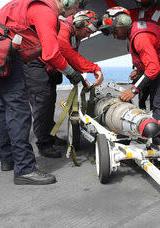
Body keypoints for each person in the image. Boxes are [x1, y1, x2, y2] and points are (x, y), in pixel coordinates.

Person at [0, 0, 88, 185]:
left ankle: (8, 159)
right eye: (76, 4)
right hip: (6, 53)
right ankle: (24, 169)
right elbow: (50, 52)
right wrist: (71, 73)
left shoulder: (40, 7)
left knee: (5, 109)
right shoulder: (45, 11)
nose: (76, 9)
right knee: (19, 111)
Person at [99, 7, 160, 145]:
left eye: (114, 30)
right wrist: (140, 70)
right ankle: (156, 136)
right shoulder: (135, 30)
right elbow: (151, 58)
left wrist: (133, 90)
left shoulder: (139, 37)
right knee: (156, 100)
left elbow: (153, 68)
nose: (114, 35)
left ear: (123, 24)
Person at [23, 10, 103, 158]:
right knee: (42, 104)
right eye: (87, 31)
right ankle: (44, 144)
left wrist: (77, 75)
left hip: (50, 67)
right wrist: (93, 68)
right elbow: (66, 52)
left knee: (49, 102)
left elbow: (69, 59)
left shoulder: (74, 33)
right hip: (36, 64)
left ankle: (49, 135)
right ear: (79, 24)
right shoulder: (64, 30)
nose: (88, 35)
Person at [103, 0, 160, 110]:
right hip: (147, 63)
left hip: (159, 65)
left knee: (156, 100)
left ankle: (155, 123)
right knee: (139, 99)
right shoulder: (135, 14)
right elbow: (116, 14)